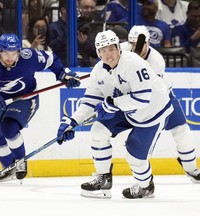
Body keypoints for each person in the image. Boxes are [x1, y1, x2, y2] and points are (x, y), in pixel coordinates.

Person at [56, 29, 173, 199]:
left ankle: (146, 186)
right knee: (98, 131)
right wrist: (72, 121)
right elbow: (90, 101)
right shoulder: (98, 71)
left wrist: (112, 104)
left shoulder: (134, 63)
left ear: (119, 47)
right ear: (98, 53)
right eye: (103, 50)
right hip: (125, 108)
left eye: (111, 48)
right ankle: (103, 178)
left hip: (152, 112)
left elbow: (143, 98)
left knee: (134, 156)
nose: (108, 54)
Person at [0, 34, 80, 183]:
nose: (9, 57)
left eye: (13, 53)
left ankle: (20, 161)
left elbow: (51, 59)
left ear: (19, 52)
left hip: (26, 99)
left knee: (8, 127)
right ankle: (8, 168)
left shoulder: (29, 57)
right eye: (5, 53)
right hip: (2, 101)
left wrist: (63, 74)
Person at [122, 25, 200, 183]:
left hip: (161, 100)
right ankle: (144, 179)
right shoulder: (121, 50)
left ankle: (191, 168)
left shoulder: (156, 60)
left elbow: (146, 91)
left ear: (149, 42)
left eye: (140, 44)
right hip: (135, 103)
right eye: (132, 43)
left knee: (182, 131)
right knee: (142, 145)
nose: (136, 47)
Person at [48, 0, 67, 65]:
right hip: (61, 62)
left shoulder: (79, 25)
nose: (76, 10)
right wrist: (61, 38)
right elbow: (51, 47)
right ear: (63, 10)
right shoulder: (53, 27)